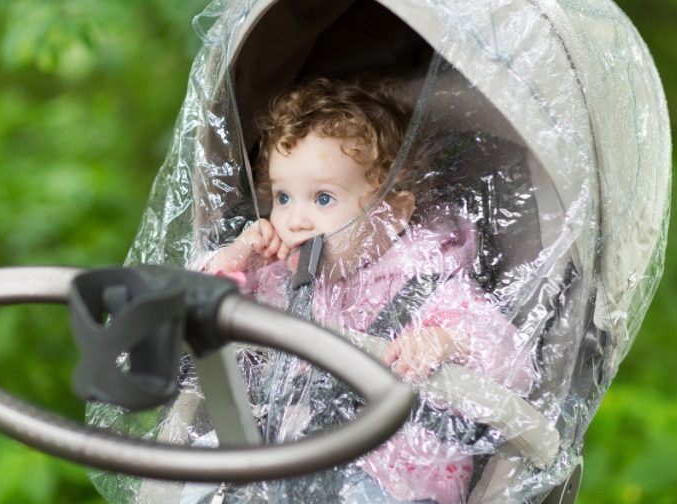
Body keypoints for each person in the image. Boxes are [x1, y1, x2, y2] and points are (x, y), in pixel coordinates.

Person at [198, 77, 536, 504]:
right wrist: (235, 258)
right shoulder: (276, 278)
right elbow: (197, 319)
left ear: (392, 213)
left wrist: (446, 342)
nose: (295, 220)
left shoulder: (425, 284)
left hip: (388, 480)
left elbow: (515, 364)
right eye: (283, 198)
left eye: (322, 199)